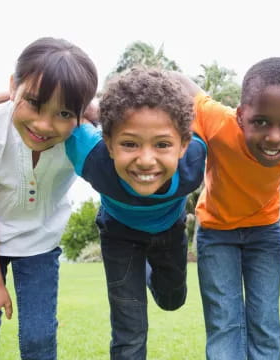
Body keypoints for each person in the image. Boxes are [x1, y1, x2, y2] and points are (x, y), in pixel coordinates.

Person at [175, 57, 280, 360]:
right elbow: (182, 83)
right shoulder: (218, 122)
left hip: (264, 233)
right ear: (241, 115)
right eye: (261, 122)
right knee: (224, 322)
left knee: (265, 322)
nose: (274, 137)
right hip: (216, 233)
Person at [65, 67, 207, 360]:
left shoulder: (194, 162)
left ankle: (144, 271)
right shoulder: (93, 158)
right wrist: (90, 110)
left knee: (172, 300)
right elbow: (59, 110)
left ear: (182, 146)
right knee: (129, 330)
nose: (146, 160)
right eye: (129, 144)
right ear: (109, 144)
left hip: (169, 232)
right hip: (119, 236)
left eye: (162, 144)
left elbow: (222, 117)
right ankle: (133, 269)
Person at [0, 37, 97, 360]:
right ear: (12, 87)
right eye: (33, 103)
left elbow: (120, 126)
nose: (43, 125)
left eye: (62, 112)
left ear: (80, 114)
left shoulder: (82, 139)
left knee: (38, 339)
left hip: (39, 243)